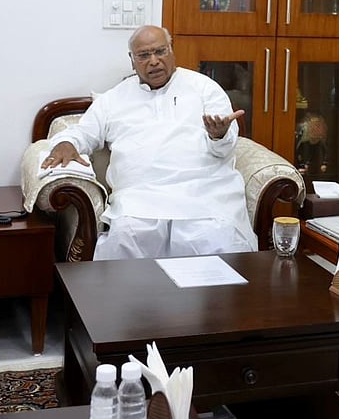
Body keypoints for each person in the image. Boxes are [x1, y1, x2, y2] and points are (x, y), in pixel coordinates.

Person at [41, 25, 258, 260]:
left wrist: (218, 135)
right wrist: (67, 143)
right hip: (139, 197)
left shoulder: (204, 88)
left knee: (213, 240)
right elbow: (84, 132)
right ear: (132, 60)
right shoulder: (114, 98)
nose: (154, 61)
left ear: (171, 50)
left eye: (160, 51)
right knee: (126, 239)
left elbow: (225, 145)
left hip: (203, 193)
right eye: (144, 55)